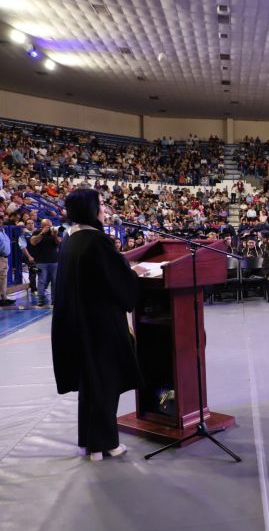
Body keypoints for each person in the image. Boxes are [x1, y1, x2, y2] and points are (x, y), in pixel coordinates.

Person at [51, 188, 145, 461]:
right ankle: (106, 444)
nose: (104, 210)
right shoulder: (96, 241)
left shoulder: (71, 239)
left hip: (79, 324)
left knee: (90, 385)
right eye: (100, 205)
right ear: (90, 210)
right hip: (101, 326)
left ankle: (90, 442)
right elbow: (117, 281)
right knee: (105, 383)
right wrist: (134, 275)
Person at [30, 218, 62, 307]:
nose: (50, 227)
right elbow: (33, 242)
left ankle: (54, 300)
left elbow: (59, 243)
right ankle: (41, 300)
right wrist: (42, 233)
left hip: (54, 261)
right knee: (42, 281)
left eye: (50, 225)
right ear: (42, 226)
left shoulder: (55, 232)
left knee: (55, 281)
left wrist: (54, 235)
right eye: (47, 226)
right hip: (41, 262)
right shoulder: (37, 232)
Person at [0, 217, 14, 306]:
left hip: (4, 258)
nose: (0, 222)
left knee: (3, 278)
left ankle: (4, 297)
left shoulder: (3, 231)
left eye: (1, 221)